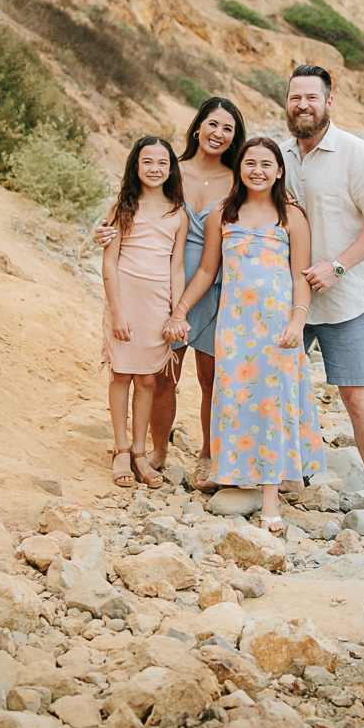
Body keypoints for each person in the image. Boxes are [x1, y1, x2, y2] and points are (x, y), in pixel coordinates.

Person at [165, 138, 325, 532]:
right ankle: (234, 471)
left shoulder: (291, 216)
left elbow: (299, 276)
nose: (257, 170)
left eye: (266, 163)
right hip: (234, 328)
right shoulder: (223, 213)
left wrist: (297, 320)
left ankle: (270, 495)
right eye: (250, 162)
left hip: (277, 329)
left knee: (273, 405)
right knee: (233, 399)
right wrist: (181, 309)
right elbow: (206, 271)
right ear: (240, 168)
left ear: (279, 170)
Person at [95, 98, 246, 487]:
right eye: (212, 124)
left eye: (228, 128)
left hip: (217, 287)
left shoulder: (239, 178)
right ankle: (155, 450)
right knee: (162, 376)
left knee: (211, 376)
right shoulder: (168, 169)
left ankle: (208, 455)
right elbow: (133, 211)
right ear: (197, 127)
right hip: (162, 292)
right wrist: (105, 231)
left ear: (234, 138)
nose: (218, 133)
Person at [280, 64, 364, 541]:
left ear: (330, 102)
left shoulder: (355, 153)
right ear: (287, 104)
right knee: (278, 386)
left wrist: (338, 265)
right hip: (290, 299)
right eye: (294, 98)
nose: (302, 105)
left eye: (311, 97)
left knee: (355, 396)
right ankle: (278, 474)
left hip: (344, 299)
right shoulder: (281, 154)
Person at [101, 137, 189, 489]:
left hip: (157, 305)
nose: (155, 169)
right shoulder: (122, 207)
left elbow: (177, 266)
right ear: (136, 166)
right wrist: (117, 312)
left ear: (171, 169)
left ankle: (141, 452)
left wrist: (176, 314)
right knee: (121, 374)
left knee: (149, 379)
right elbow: (109, 263)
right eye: (148, 162)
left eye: (162, 163)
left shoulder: (177, 213)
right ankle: (121, 449)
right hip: (124, 301)